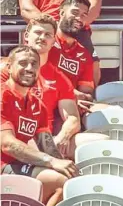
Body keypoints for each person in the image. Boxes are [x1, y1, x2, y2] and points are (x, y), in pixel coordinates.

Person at [1, 15, 107, 159]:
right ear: (26, 36)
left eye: (48, 35)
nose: (42, 37)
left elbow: (72, 118)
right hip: (10, 138)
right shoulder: (6, 69)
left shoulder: (59, 78)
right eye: (38, 33)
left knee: (101, 143)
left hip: (46, 140)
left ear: (53, 41)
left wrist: (62, 137)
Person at [1, 45, 78, 206]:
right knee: (60, 182)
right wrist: (50, 161)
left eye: (34, 64)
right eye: (23, 63)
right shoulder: (3, 96)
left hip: (15, 164)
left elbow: (47, 146)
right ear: (9, 67)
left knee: (71, 180)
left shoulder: (37, 105)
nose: (29, 68)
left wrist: (65, 166)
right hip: (3, 165)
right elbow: (7, 144)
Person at [48, 0, 95, 106]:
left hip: (72, 106)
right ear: (62, 13)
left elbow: (87, 93)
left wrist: (82, 97)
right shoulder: (45, 42)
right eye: (74, 12)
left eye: (84, 15)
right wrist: (71, 93)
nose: (79, 18)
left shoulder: (84, 54)